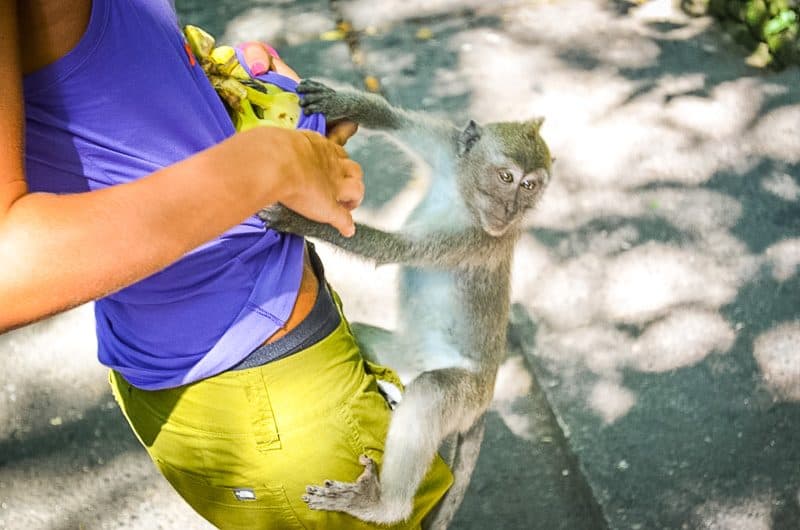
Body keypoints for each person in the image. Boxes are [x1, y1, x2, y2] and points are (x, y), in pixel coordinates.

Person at [0, 1, 453, 529]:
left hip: (261, 362)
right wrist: (269, 163)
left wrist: (230, 86)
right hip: (265, 401)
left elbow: (86, 94)